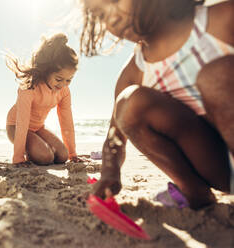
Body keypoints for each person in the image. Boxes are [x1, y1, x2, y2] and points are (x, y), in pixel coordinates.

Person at [79, 0, 234, 209]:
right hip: (218, 168)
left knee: (215, 76)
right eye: (100, 15)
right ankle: (193, 190)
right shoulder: (134, 73)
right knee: (129, 103)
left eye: (114, 1)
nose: (112, 19)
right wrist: (109, 173)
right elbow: (114, 136)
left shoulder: (222, 19)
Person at [6, 33, 82, 165]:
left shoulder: (64, 91)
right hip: (16, 126)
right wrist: (18, 157)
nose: (63, 84)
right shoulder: (29, 86)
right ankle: (30, 152)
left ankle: (37, 149)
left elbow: (66, 121)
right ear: (47, 70)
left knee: (62, 156)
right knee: (45, 157)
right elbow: (22, 122)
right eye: (59, 79)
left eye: (69, 80)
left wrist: (72, 153)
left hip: (38, 128)